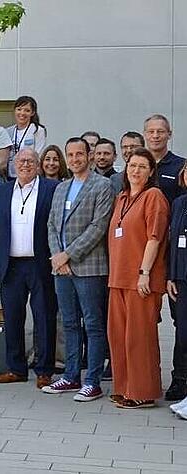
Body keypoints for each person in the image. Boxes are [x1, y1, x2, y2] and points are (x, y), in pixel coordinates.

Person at [43, 137, 113, 402]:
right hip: (61, 268)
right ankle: (71, 376)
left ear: (89, 156)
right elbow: (51, 224)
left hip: (89, 267)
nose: (74, 159)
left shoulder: (102, 185)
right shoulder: (61, 187)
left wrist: (68, 255)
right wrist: (57, 258)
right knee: (70, 323)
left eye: (79, 154)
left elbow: (98, 227)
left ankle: (92, 381)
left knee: (92, 325)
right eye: (70, 155)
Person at [0, 148, 59, 389]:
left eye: (30, 161)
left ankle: (44, 370)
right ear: (14, 165)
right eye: (21, 161)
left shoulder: (51, 189)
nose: (25, 164)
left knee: (44, 317)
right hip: (10, 265)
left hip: (41, 264)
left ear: (38, 165)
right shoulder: (2, 191)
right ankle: (15, 368)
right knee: (13, 317)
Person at [106, 148, 168, 408]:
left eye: (143, 166)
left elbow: (154, 237)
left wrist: (144, 272)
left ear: (151, 171)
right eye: (132, 165)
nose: (136, 170)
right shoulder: (121, 198)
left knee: (139, 339)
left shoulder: (153, 196)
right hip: (118, 278)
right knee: (118, 337)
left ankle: (143, 391)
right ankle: (125, 387)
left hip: (140, 280)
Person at [142, 114, 187, 401]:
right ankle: (144, 376)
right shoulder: (139, 163)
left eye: (161, 131)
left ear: (169, 134)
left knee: (179, 322)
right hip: (143, 254)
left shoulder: (179, 166)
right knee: (144, 319)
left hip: (172, 256)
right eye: (151, 131)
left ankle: (179, 379)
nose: (156, 136)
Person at [168, 162, 187, 417]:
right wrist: (171, 275)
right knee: (183, 335)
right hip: (182, 278)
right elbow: (173, 242)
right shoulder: (179, 203)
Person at [6, 96, 47, 180]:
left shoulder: (37, 130)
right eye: (19, 109)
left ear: (32, 113)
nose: (22, 113)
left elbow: (38, 155)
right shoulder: (8, 131)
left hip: (29, 175)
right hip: (11, 175)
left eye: (27, 110)